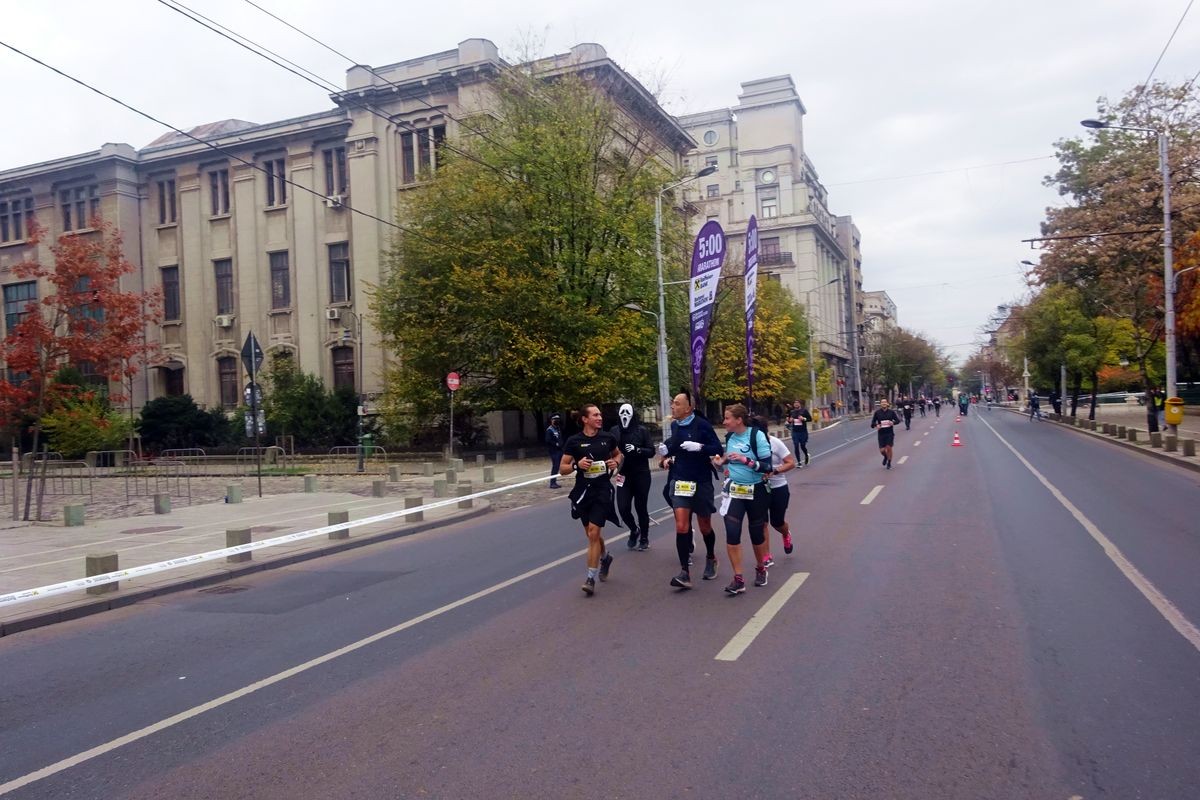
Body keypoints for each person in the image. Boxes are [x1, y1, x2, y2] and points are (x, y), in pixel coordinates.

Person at [660, 390, 723, 589]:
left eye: (677, 403)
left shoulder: (702, 425)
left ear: (689, 407)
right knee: (681, 526)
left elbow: (717, 449)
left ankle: (711, 557)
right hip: (681, 480)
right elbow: (676, 447)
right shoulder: (674, 426)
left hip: (701, 480)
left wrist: (700, 447)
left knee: (704, 525)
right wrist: (665, 453)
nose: (673, 407)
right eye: (673, 403)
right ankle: (684, 572)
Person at [560, 404, 622, 596]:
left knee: (594, 533)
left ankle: (590, 579)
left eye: (600, 415)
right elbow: (562, 468)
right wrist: (577, 465)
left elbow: (619, 454)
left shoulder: (608, 438)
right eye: (595, 415)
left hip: (602, 490)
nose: (600, 417)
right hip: (583, 491)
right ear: (585, 419)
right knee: (590, 534)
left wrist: (616, 462)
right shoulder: (574, 441)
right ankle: (605, 557)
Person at [717, 404, 774, 594]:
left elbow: (768, 467)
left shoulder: (756, 435)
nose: (724, 422)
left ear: (738, 420)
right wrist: (720, 462)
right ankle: (738, 578)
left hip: (756, 490)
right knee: (732, 532)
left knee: (756, 534)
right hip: (735, 490)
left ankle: (760, 568)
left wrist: (746, 460)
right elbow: (727, 460)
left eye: (727, 418)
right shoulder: (730, 437)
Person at [611, 403, 654, 551]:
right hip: (624, 475)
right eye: (621, 412)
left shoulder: (642, 431)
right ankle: (634, 529)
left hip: (641, 474)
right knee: (623, 507)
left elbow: (651, 451)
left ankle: (644, 537)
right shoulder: (615, 431)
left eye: (627, 412)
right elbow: (609, 449)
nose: (624, 415)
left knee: (641, 507)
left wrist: (638, 450)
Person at [760, 416, 798, 562]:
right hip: (760, 489)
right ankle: (766, 556)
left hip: (778, 487)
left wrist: (774, 471)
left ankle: (785, 533)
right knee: (762, 523)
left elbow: (790, 463)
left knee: (777, 522)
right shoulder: (751, 445)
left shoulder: (775, 443)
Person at [871, 399, 901, 469]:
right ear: (880, 404)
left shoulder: (891, 412)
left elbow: (898, 420)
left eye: (885, 402)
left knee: (889, 448)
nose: (884, 403)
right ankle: (885, 456)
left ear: (887, 404)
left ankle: (889, 463)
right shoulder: (877, 413)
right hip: (881, 434)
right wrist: (876, 425)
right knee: (882, 450)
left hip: (889, 433)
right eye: (882, 402)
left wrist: (893, 423)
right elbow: (872, 424)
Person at [786, 399, 812, 466]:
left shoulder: (804, 411)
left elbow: (810, 419)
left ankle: (806, 455)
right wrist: (789, 420)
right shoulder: (792, 412)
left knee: (803, 445)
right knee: (796, 445)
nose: (796, 404)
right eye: (795, 403)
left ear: (800, 404)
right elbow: (789, 421)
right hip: (795, 432)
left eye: (797, 403)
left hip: (803, 431)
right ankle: (799, 462)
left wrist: (803, 419)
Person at [545, 413, 564, 489]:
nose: (557, 421)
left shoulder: (558, 428)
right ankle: (552, 483)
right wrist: (556, 444)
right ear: (551, 420)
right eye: (555, 420)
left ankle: (555, 481)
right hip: (553, 451)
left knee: (560, 465)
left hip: (560, 450)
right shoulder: (550, 430)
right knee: (555, 466)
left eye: (558, 420)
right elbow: (548, 440)